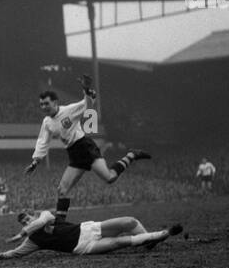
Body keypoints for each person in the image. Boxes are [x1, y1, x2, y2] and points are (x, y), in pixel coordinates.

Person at [26, 74, 150, 223]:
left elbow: (87, 104)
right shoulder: (47, 122)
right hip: (73, 154)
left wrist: (86, 89)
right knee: (62, 190)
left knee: (109, 178)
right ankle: (60, 224)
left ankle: (131, 155)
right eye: (41, 104)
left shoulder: (69, 110)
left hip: (85, 147)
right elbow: (42, 141)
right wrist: (35, 161)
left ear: (55, 102)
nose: (44, 107)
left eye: (46, 103)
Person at [0, 209, 183, 260]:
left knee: (129, 222)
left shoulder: (45, 216)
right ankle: (162, 234)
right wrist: (0, 256)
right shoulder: (33, 241)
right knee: (120, 242)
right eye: (24, 222)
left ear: (32, 216)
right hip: (83, 247)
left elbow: (41, 221)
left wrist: (22, 232)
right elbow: (17, 253)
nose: (27, 222)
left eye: (27, 218)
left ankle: (149, 240)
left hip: (88, 229)